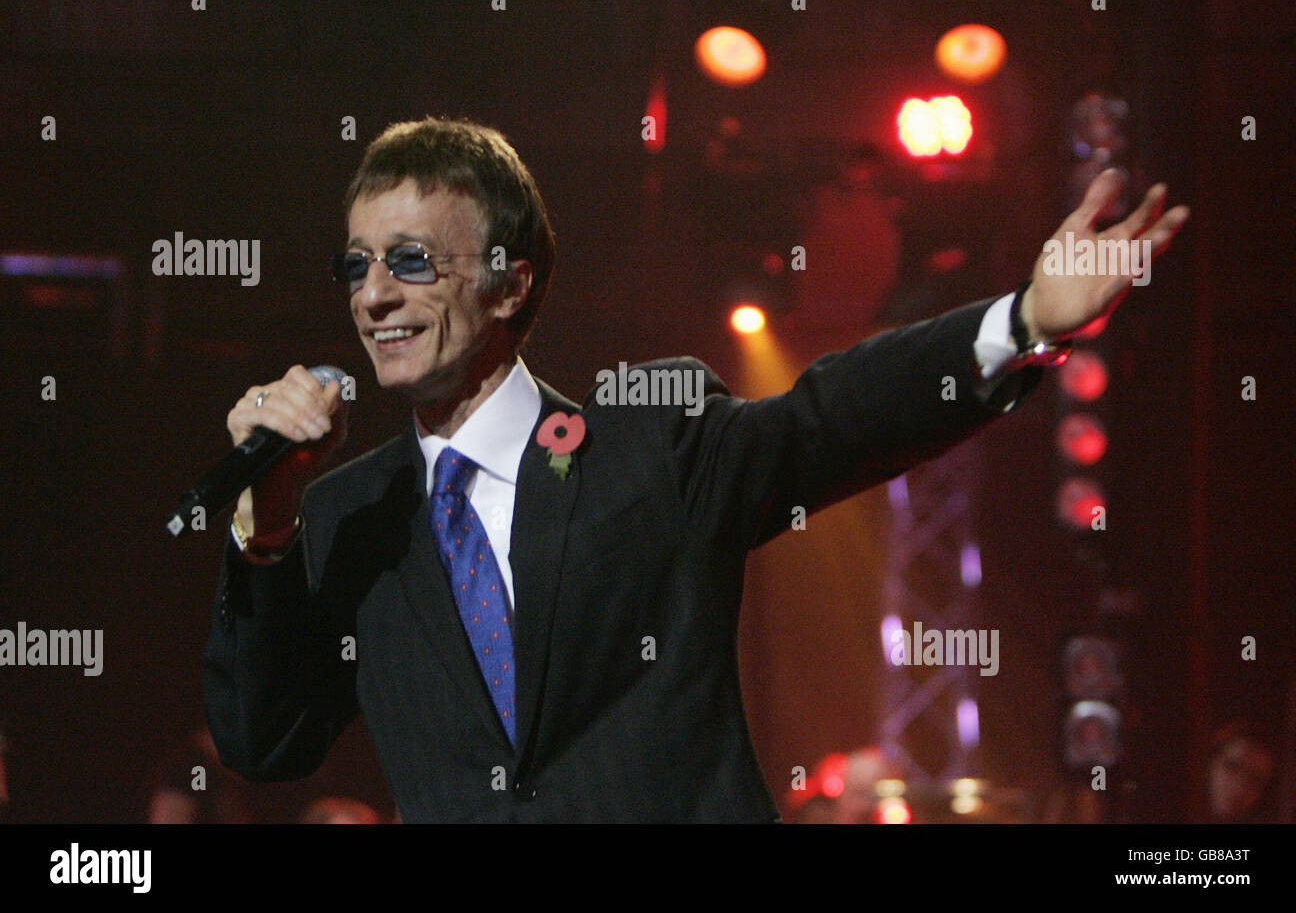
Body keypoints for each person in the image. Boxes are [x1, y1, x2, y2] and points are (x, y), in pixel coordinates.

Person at [202, 116, 1188, 822]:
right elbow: (264, 742)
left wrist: (1020, 322)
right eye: (356, 267)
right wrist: (266, 526)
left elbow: (831, 418)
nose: (374, 295)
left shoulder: (648, 443)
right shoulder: (340, 513)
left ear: (511, 280)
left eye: (410, 261)